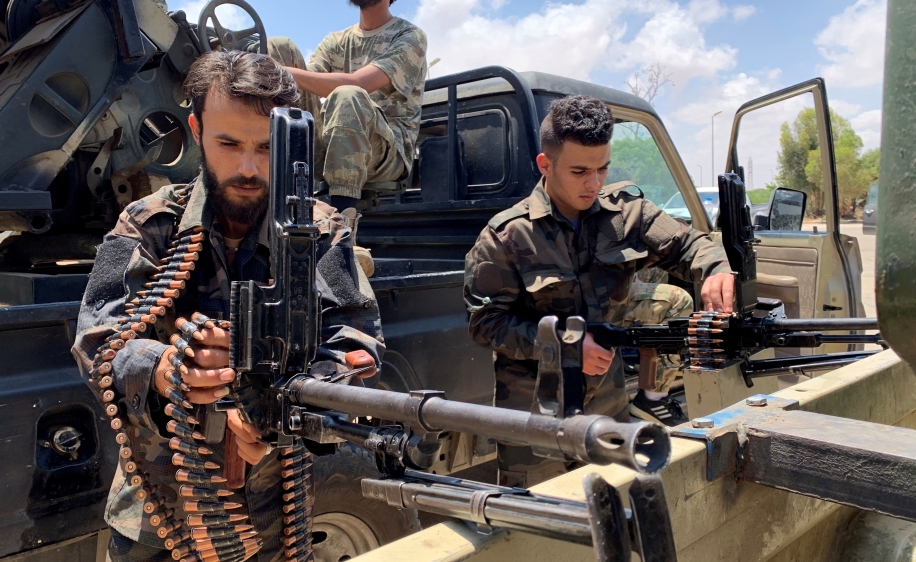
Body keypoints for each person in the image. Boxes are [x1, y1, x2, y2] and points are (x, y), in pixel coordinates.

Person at [71, 50, 383, 562]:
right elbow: (95, 341)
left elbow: (357, 341)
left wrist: (285, 405)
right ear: (196, 130)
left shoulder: (320, 230)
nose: (248, 167)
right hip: (160, 512)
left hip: (278, 512)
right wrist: (166, 367)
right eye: (229, 143)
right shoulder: (148, 223)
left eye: (266, 147)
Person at [463, 95, 735, 488]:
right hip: (535, 419)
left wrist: (715, 269)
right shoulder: (507, 235)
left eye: (602, 168)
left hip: (607, 411)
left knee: (615, 506)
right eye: (579, 171)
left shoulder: (627, 214)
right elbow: (486, 324)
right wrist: (565, 345)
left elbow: (689, 244)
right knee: (538, 519)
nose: (594, 183)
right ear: (545, 164)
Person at [266, 0, 427, 214]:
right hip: (330, 144)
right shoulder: (336, 41)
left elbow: (359, 83)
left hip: (386, 154)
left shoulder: (409, 36)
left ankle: (342, 223)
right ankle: (266, 185)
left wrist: (276, 71)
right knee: (278, 46)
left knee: (348, 94)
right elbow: (306, 83)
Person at [624, 270, 694, 426]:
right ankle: (653, 398)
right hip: (592, 295)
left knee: (655, 271)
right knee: (679, 301)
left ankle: (649, 367)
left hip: (601, 281)